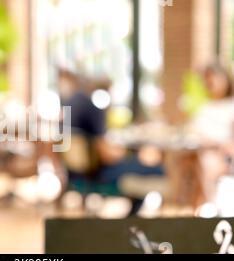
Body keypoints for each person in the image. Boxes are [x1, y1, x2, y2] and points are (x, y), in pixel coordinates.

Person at [58, 69, 164, 214]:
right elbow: (105, 153)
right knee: (157, 169)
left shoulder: (71, 103)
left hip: (74, 172)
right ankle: (133, 222)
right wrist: (124, 154)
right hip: (96, 173)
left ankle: (131, 221)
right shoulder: (91, 106)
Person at [188, 63, 234, 202]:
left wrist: (224, 148)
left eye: (213, 79)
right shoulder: (204, 107)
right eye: (207, 80)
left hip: (222, 154)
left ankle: (207, 206)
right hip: (198, 150)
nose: (210, 83)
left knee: (205, 163)